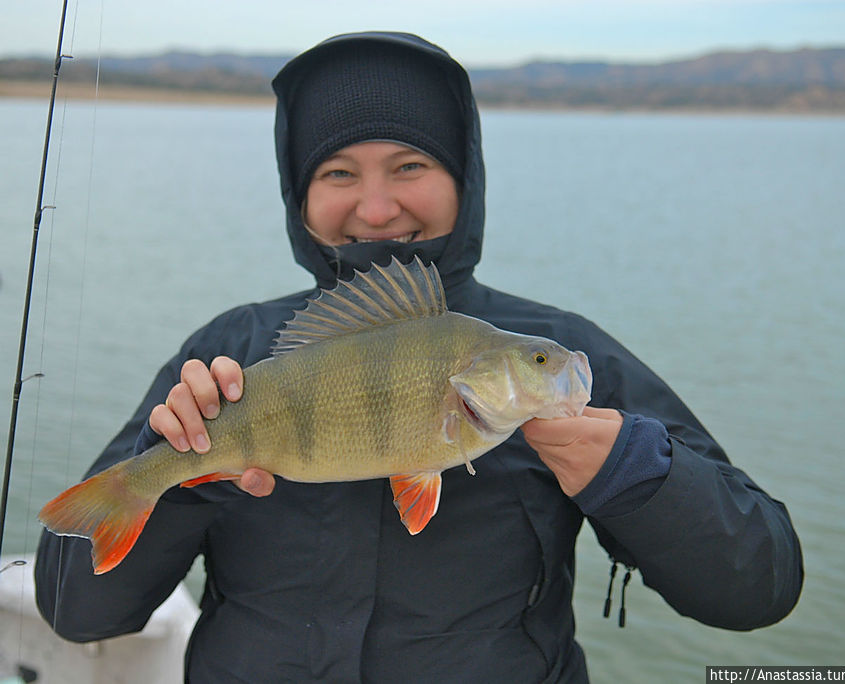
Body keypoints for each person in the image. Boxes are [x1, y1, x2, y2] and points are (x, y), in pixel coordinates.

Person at [34, 31, 803, 683]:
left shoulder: (559, 351)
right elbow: (75, 611)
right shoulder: (229, 357)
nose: (375, 208)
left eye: (409, 166)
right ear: (298, 196)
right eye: (338, 173)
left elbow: (756, 587)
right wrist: (182, 466)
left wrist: (638, 474)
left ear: (462, 181)